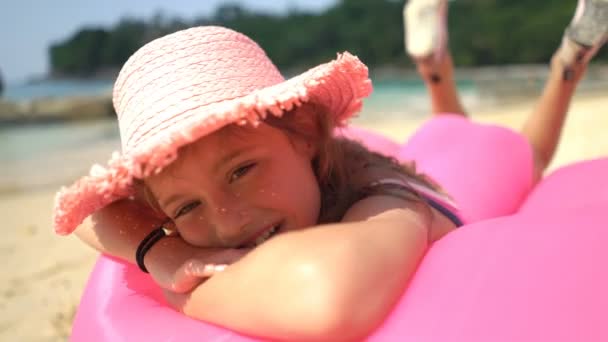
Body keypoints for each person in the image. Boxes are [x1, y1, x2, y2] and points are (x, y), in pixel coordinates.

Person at [53, 1, 607, 340]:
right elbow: (88, 215)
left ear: (305, 135)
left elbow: (329, 300)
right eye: (187, 207)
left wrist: (184, 290)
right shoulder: (292, 180)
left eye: (241, 171)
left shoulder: (386, 205)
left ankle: (568, 63)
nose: (226, 219)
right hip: (419, 152)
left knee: (524, 155)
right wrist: (168, 254)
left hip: (465, 180)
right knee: (452, 129)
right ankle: (435, 68)